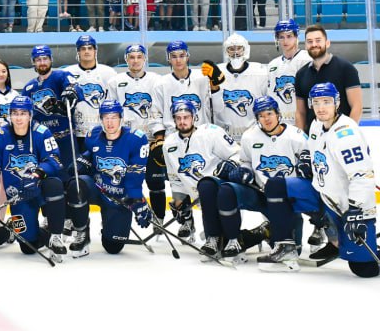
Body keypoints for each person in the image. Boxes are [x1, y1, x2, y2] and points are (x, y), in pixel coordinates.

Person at [259, 83, 380, 277]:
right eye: (317, 102)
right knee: (277, 186)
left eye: (327, 102)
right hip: (323, 196)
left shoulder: (347, 134)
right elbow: (314, 152)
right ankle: (286, 246)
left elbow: (362, 176)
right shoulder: (315, 125)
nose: (321, 108)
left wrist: (356, 209)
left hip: (350, 206)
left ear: (336, 103)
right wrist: (306, 159)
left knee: (364, 268)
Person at [198, 96, 309, 264]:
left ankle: (263, 232)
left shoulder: (297, 136)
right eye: (261, 115)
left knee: (295, 249)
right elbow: (246, 162)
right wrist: (244, 171)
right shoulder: (250, 136)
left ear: (278, 114)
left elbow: (308, 166)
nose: (266, 118)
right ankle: (232, 240)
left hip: (285, 200)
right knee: (227, 190)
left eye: (269, 113)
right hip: (260, 193)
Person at [0, 95, 70, 258]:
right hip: (19, 194)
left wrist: (37, 174)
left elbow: (54, 159)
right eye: (15, 113)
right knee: (28, 247)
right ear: (10, 115)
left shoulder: (42, 132)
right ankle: (36, 232)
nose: (19, 117)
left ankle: (55, 235)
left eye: (23, 113)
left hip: (39, 187)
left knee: (54, 184)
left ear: (30, 115)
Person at [75, 99, 151, 256]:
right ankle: (82, 230)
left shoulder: (136, 139)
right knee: (77, 184)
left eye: (114, 117)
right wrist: (83, 160)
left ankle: (109, 221)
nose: (110, 122)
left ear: (121, 118)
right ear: (101, 118)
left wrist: (136, 199)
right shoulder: (93, 135)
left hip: (120, 195)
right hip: (98, 188)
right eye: (106, 117)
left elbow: (135, 173)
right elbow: (91, 153)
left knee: (113, 247)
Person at [161, 98, 240, 242]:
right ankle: (193, 225)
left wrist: (232, 163)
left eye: (186, 117)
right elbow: (175, 177)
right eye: (178, 118)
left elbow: (237, 153)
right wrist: (179, 201)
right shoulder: (169, 144)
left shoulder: (211, 133)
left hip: (219, 191)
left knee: (225, 238)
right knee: (215, 238)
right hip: (198, 197)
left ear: (194, 117)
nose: (182, 121)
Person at [104, 43, 167, 220]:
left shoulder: (156, 80)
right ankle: (123, 220)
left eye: (139, 57)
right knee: (125, 181)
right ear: (126, 59)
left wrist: (160, 136)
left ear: (145, 59)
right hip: (127, 141)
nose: (135, 60)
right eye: (132, 57)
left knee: (155, 181)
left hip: (151, 140)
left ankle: (159, 219)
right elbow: (111, 111)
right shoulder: (115, 82)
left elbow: (160, 109)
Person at [292, 23, 362, 132]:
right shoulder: (301, 74)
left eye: (318, 40)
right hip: (313, 139)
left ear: (327, 43)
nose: (314, 44)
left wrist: (348, 133)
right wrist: (301, 138)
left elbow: (357, 106)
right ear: (305, 46)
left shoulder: (346, 68)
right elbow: (301, 112)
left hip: (340, 136)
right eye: (310, 41)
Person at [204, 33, 269, 137]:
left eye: (239, 48)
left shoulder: (260, 72)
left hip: (254, 133)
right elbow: (213, 108)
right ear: (226, 51)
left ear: (246, 50)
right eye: (231, 49)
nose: (235, 52)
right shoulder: (218, 72)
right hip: (224, 134)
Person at [266, 19, 311, 127]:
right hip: (280, 124)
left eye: (289, 36)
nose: (285, 41)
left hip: (303, 122)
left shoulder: (307, 60)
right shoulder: (273, 65)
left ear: (296, 37)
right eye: (281, 37)